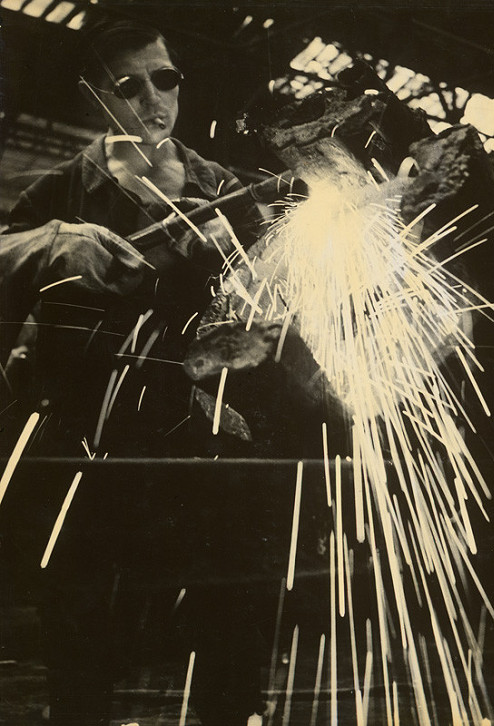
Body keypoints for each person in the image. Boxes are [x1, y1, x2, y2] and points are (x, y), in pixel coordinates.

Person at [0, 18, 266, 726]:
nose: (154, 99)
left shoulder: (223, 186)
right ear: (93, 95)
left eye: (165, 78)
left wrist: (239, 262)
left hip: (207, 456)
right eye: (129, 85)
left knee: (229, 653)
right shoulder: (60, 192)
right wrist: (49, 244)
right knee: (81, 662)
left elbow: (280, 302)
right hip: (90, 461)